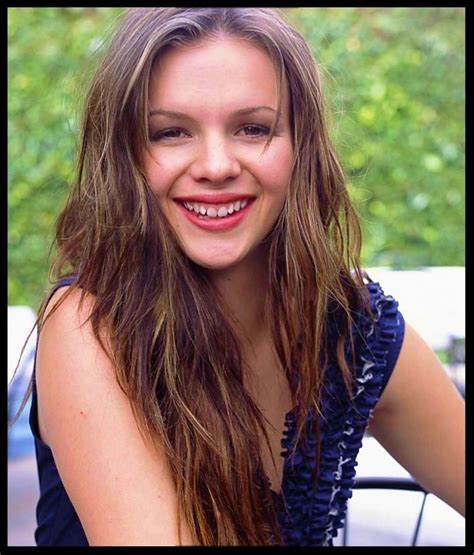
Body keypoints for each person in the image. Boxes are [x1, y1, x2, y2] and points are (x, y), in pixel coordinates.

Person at [15, 7, 464, 546]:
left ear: (302, 148)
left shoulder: (352, 329)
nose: (216, 164)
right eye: (171, 132)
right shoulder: (90, 325)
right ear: (129, 156)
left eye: (252, 128)